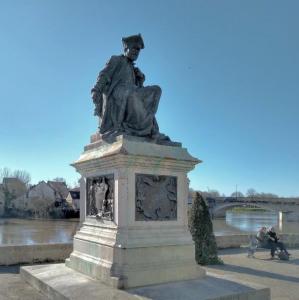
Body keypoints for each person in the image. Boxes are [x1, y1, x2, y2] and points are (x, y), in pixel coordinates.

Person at [91, 34, 169, 141]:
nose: (136, 52)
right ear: (126, 48)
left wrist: (140, 79)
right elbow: (104, 75)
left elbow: (139, 89)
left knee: (156, 90)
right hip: (118, 93)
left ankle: (150, 129)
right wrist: (96, 90)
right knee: (131, 93)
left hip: (131, 91)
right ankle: (132, 128)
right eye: (134, 48)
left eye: (138, 50)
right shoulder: (116, 59)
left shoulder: (134, 69)